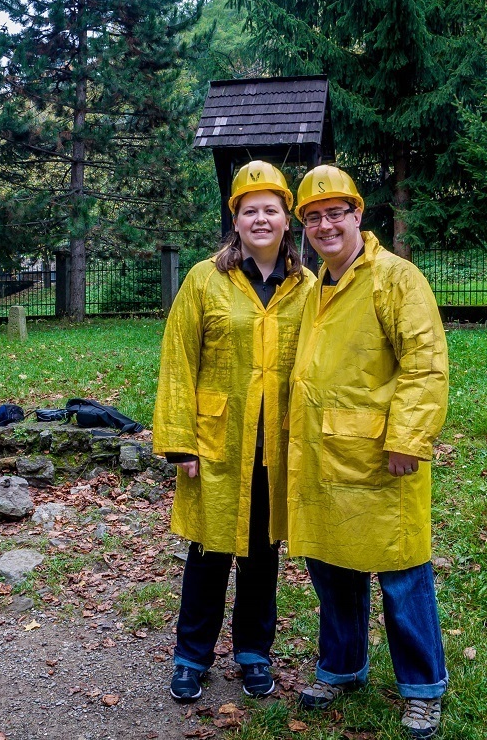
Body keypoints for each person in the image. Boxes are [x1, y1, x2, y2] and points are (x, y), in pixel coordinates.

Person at [286, 164, 450, 738]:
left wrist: (409, 437)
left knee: (401, 574)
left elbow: (425, 364)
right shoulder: (314, 287)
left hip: (382, 456)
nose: (326, 225)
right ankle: (341, 666)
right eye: (313, 217)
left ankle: (423, 688)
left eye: (336, 213)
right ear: (303, 226)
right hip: (323, 456)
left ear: (358, 214)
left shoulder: (395, 278)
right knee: (331, 568)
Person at [153, 160, 312, 703]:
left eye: (271, 210)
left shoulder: (307, 287)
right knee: (209, 551)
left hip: (279, 443)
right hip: (217, 441)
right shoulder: (204, 279)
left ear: (287, 220)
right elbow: (178, 360)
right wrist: (179, 440)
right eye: (251, 211)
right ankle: (191, 657)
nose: (261, 219)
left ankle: (252, 653)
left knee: (263, 554)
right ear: (236, 220)